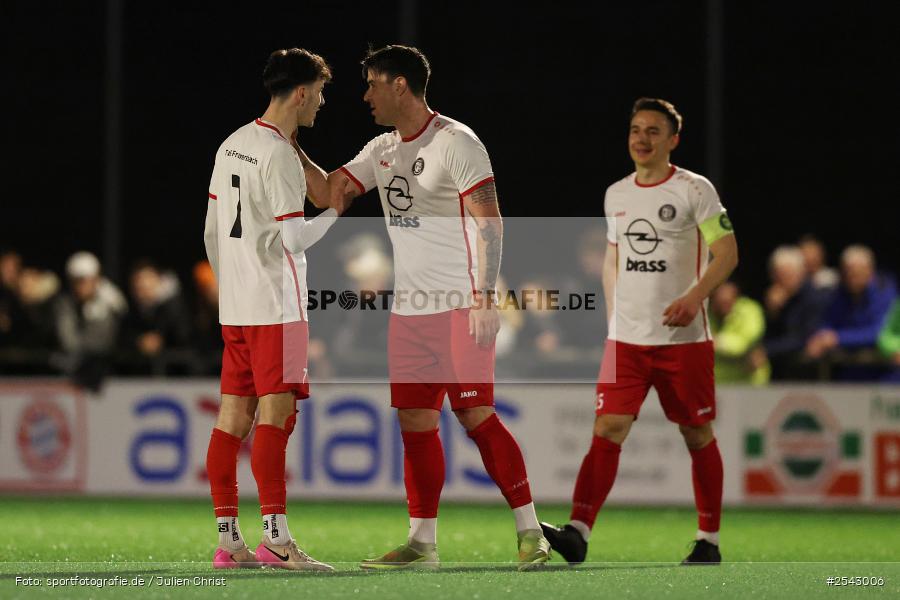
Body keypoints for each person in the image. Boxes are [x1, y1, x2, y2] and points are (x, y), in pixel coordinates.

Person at [327, 45, 550, 570]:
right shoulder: (381, 149)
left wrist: (484, 296)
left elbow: (490, 222)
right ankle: (421, 543)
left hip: (460, 305)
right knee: (414, 420)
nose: (366, 96)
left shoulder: (458, 141)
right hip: (410, 313)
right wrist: (282, 146)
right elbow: (333, 189)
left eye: (372, 84)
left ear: (399, 84)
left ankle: (531, 532)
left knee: (476, 415)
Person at [540, 98, 738, 566]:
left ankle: (708, 539)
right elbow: (613, 260)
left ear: (672, 140)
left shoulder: (695, 190)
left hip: (683, 343)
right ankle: (578, 532)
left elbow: (727, 253)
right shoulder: (617, 194)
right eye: (635, 129)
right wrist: (614, 319)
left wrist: (694, 298)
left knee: (696, 433)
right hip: (625, 342)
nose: (641, 139)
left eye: (653, 131)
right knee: (607, 429)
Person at [203, 47, 345, 571]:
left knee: (230, 417)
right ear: (302, 92)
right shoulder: (279, 155)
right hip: (276, 307)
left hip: (236, 306)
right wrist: (333, 211)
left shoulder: (231, 144)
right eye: (322, 93)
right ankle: (277, 540)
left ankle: (228, 543)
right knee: (275, 415)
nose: (322, 104)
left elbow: (212, 232)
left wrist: (231, 288)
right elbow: (294, 237)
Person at [805, 245, 896, 380]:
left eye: (857, 272)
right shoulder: (838, 295)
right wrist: (821, 336)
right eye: (848, 271)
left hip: (882, 375)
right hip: (847, 375)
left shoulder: (885, 293)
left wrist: (838, 338)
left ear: (870, 271)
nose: (852, 276)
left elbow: (880, 333)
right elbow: (827, 323)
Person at [761, 245, 829, 380]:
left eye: (787, 275)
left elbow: (803, 338)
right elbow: (767, 334)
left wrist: (767, 350)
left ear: (801, 273)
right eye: (778, 276)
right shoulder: (775, 299)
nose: (781, 281)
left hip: (809, 374)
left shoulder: (815, 298)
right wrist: (772, 312)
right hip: (779, 373)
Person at [708, 281, 768, 385]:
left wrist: (716, 341)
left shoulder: (750, 310)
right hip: (718, 383)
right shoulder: (705, 313)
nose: (724, 307)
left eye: (727, 302)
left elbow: (746, 342)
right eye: (719, 302)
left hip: (749, 382)